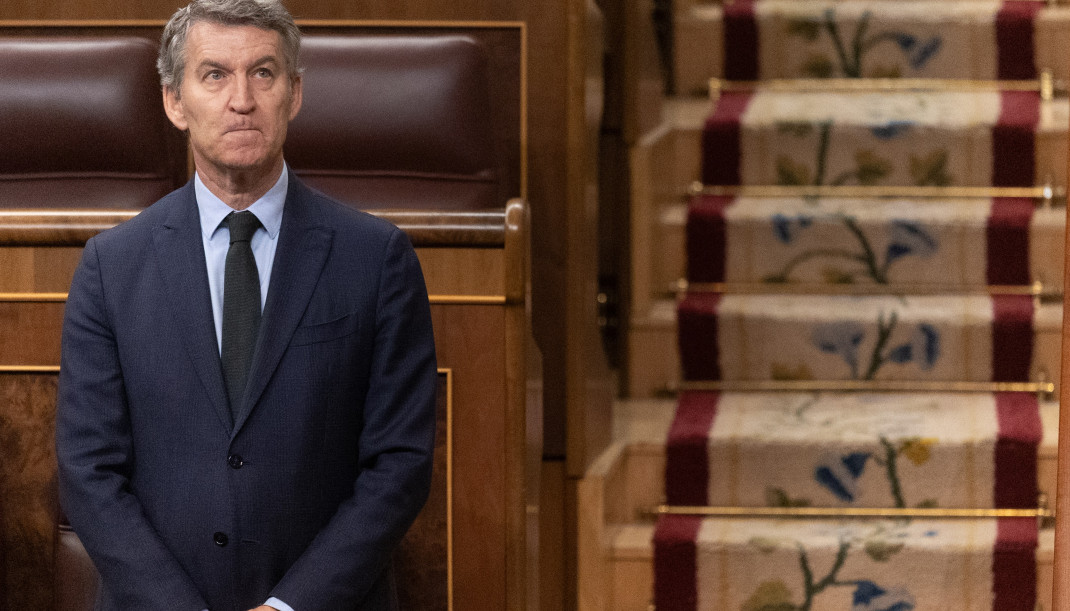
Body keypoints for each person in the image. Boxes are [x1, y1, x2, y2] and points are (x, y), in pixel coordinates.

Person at [54, 0, 437, 609]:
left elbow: (400, 464)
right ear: (174, 102)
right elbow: (88, 471)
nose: (242, 100)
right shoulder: (111, 267)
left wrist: (291, 606)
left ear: (295, 93)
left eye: (263, 73)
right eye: (214, 75)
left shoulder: (378, 259)